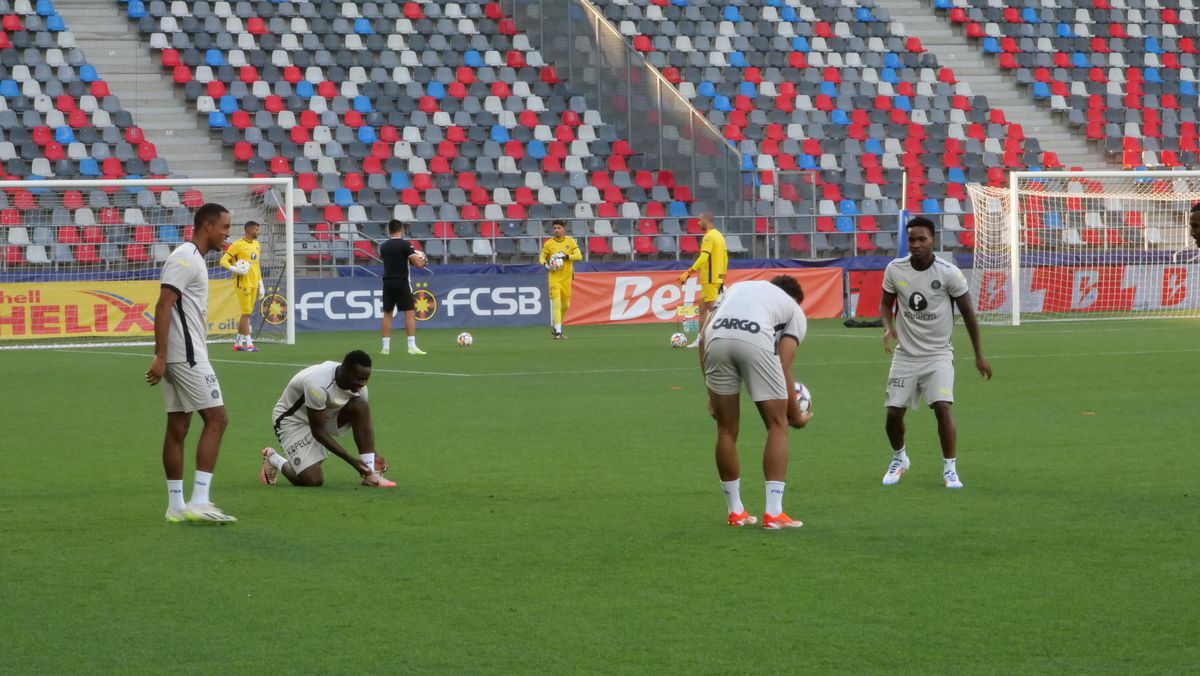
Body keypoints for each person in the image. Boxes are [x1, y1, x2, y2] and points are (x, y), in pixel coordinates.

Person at [879, 217, 992, 489]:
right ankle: (900, 458)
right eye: (912, 239)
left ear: (933, 241)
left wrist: (979, 354)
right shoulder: (895, 270)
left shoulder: (949, 273)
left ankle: (950, 469)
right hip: (905, 354)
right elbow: (885, 304)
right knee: (893, 414)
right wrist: (887, 327)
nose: (916, 244)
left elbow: (968, 314)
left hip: (938, 354)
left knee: (942, 408)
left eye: (922, 239)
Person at [144, 203, 237, 524]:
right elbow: (163, 305)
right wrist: (160, 355)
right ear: (208, 226)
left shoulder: (193, 259)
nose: (227, 234)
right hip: (186, 356)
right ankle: (200, 501)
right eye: (224, 227)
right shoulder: (185, 258)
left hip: (180, 354)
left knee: (179, 426)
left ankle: (175, 506)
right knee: (217, 419)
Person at [700, 275, 812, 530]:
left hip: (716, 338)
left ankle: (736, 512)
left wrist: (710, 391)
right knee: (776, 423)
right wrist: (796, 417)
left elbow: (705, 331)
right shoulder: (794, 309)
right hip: (753, 338)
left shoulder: (739, 288)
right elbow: (782, 367)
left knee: (726, 430)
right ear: (796, 299)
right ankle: (773, 514)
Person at [260, 350, 395, 488]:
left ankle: (370, 474)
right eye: (359, 378)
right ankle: (273, 458)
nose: (363, 383)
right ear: (345, 370)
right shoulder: (317, 384)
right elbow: (318, 431)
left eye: (366, 378)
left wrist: (371, 455)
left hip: (322, 414)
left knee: (360, 405)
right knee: (312, 480)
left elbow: (361, 423)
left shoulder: (360, 388)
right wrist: (352, 461)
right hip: (292, 420)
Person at [678, 212, 728, 348]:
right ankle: (701, 338)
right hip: (716, 277)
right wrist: (722, 275)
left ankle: (717, 337)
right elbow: (725, 257)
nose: (698, 223)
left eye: (699, 220)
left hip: (710, 278)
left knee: (713, 309)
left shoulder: (708, 237)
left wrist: (688, 272)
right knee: (702, 308)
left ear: (706, 220)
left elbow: (703, 258)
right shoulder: (719, 235)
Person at [379, 219, 427, 355]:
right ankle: (411, 346)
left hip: (387, 283)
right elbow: (417, 264)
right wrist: (424, 260)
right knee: (409, 313)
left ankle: (385, 348)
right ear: (402, 230)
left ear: (389, 230)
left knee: (387, 314)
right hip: (402, 282)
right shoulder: (406, 245)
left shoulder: (383, 247)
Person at [219, 220, 264, 352]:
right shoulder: (237, 245)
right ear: (249, 230)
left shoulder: (257, 244)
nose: (258, 232)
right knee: (245, 313)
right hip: (242, 283)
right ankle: (249, 344)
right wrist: (235, 269)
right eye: (256, 230)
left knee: (247, 313)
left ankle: (238, 343)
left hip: (254, 282)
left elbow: (256, 265)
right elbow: (223, 261)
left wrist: (260, 282)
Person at [538, 219, 582, 339]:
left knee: (566, 305)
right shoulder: (549, 243)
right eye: (554, 228)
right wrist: (546, 265)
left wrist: (566, 256)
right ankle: (558, 330)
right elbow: (541, 258)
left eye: (559, 228)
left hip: (566, 278)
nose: (556, 230)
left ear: (563, 229)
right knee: (556, 302)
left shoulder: (570, 241)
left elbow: (579, 256)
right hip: (554, 278)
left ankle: (558, 326)